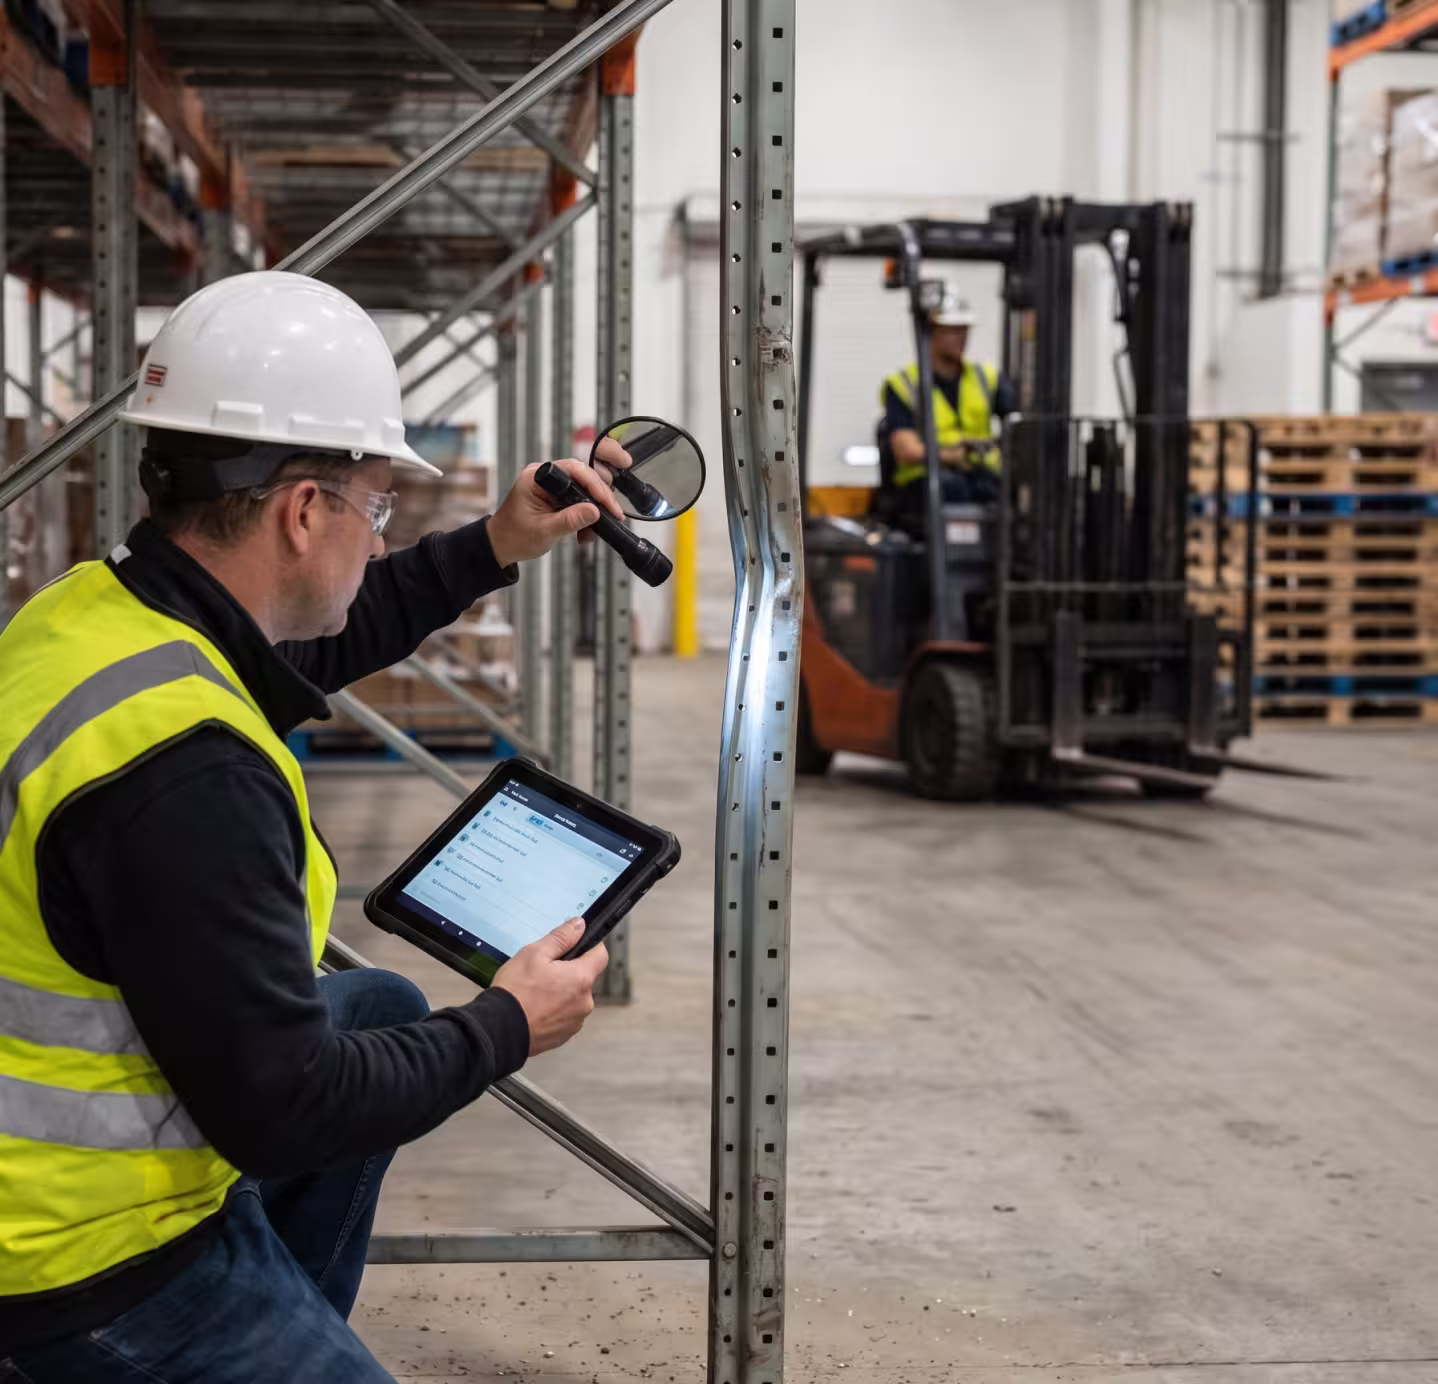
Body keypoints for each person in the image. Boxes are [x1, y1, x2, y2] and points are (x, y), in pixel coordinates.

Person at [0, 271, 633, 1382]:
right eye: (376, 511)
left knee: (377, 1004)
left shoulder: (94, 610)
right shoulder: (190, 773)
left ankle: (278, 1308)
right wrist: (505, 1025)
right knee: (371, 1057)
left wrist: (497, 541)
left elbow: (309, 638)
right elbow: (286, 1110)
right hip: (72, 1263)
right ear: (302, 511)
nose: (379, 540)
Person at [879, 286, 1017, 519]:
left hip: (978, 474)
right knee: (951, 488)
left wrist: (996, 444)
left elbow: (1021, 424)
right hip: (925, 479)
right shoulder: (905, 384)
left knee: (1007, 493)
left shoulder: (986, 378)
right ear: (931, 333)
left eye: (964, 329)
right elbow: (906, 450)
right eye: (952, 329)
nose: (961, 337)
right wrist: (952, 455)